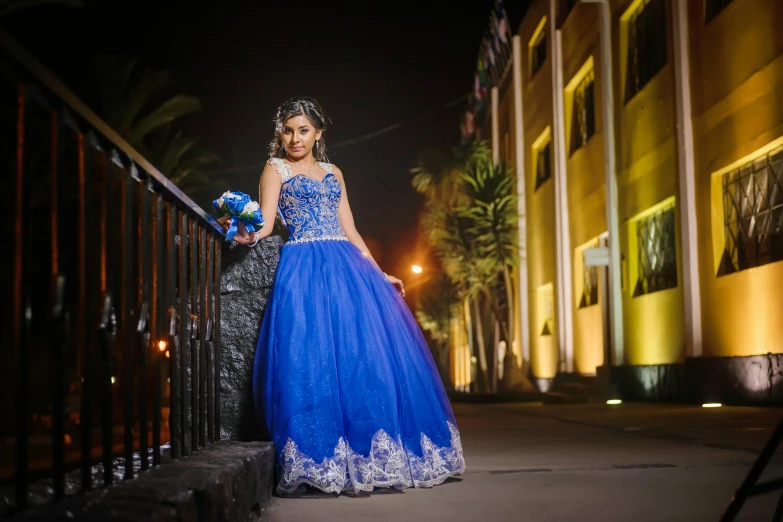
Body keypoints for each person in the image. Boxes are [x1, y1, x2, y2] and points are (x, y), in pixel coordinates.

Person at [229, 97, 465, 496]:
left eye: (303, 130)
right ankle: (321, 460)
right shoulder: (276, 168)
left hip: (346, 266)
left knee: (362, 358)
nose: (295, 138)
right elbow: (267, 223)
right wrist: (246, 232)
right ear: (280, 134)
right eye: (288, 130)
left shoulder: (334, 171)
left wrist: (379, 272)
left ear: (318, 133)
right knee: (309, 356)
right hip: (303, 266)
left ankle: (370, 457)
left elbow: (352, 230)